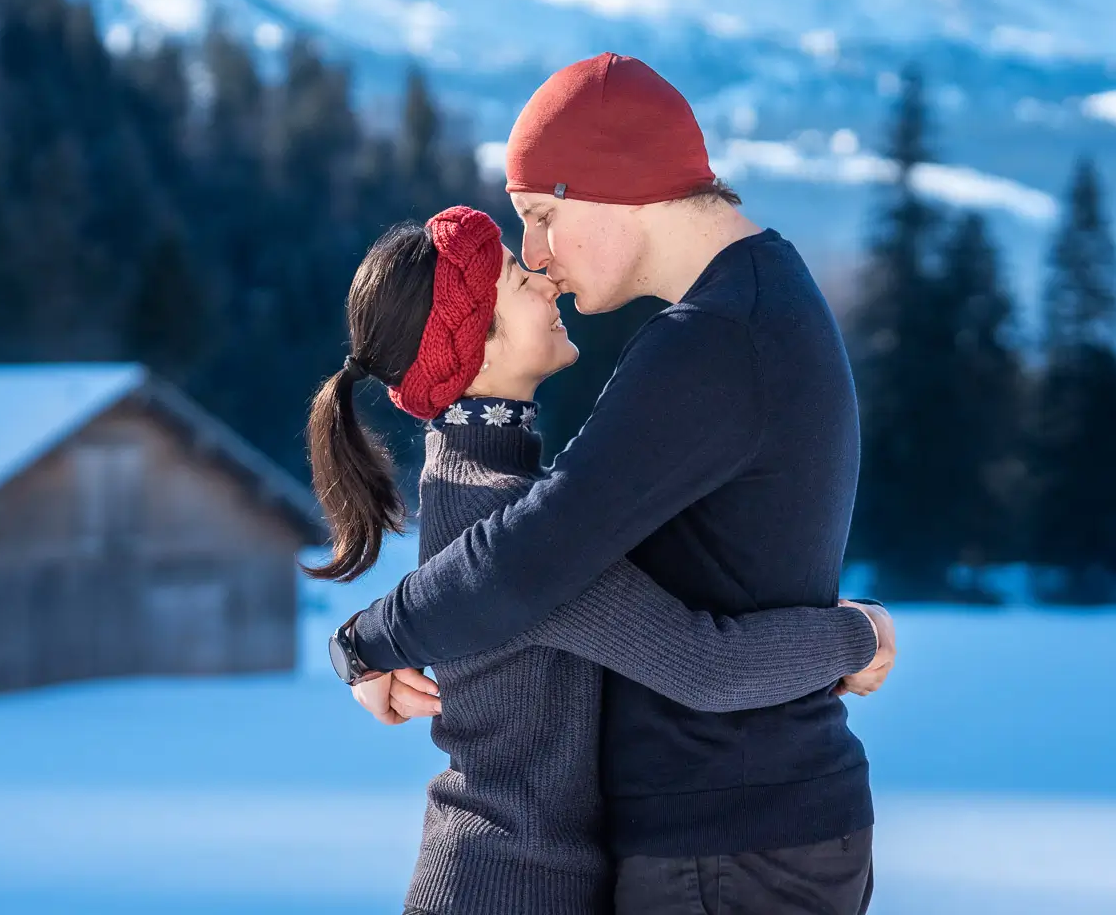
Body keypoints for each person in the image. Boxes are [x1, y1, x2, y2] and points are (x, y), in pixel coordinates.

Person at [328, 53, 885, 914]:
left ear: (617, 184)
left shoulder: (709, 344)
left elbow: (528, 559)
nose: (540, 258)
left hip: (727, 843)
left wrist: (370, 638)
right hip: (732, 835)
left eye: (543, 217)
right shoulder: (757, 306)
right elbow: (525, 550)